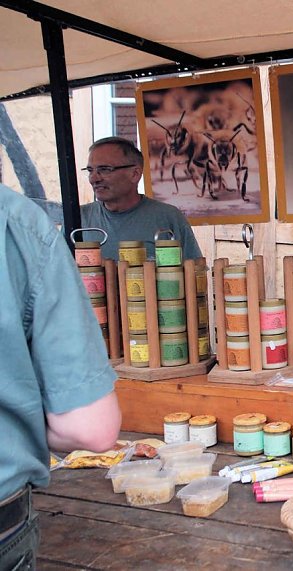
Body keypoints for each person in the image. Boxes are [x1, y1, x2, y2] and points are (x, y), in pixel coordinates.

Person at [0, 184, 122, 569]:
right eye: (93, 169)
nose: (97, 178)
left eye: (107, 168)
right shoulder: (18, 224)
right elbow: (91, 429)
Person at [80, 137, 202, 261]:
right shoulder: (79, 219)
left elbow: (194, 273)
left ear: (135, 174)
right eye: (90, 171)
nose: (94, 179)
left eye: (104, 170)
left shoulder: (168, 217)